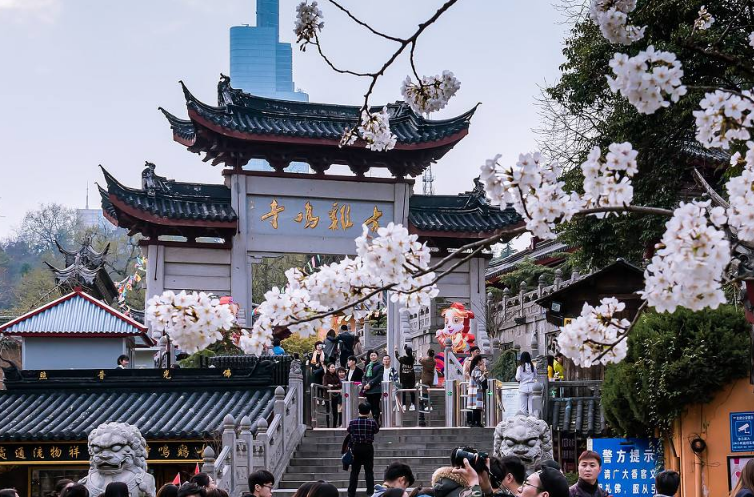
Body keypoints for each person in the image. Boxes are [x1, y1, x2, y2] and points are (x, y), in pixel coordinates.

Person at [347, 403, 380, 497]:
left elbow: (349, 430)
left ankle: (351, 493)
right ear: (369, 412)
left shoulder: (353, 422)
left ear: (359, 411)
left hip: (356, 447)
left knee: (354, 471)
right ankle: (370, 492)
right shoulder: (372, 422)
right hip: (367, 447)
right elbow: (376, 430)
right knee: (369, 471)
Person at [363, 350, 384, 424]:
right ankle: (373, 420)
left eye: (374, 355)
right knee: (370, 405)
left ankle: (376, 420)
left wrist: (370, 384)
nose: (373, 357)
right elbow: (365, 377)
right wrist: (364, 385)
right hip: (368, 389)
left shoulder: (380, 366)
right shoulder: (368, 366)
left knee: (376, 405)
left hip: (376, 389)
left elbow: (378, 377)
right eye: (371, 355)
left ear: (377, 356)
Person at [466, 355, 488, 427]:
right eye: (481, 360)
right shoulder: (477, 369)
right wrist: (484, 375)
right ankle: (476, 422)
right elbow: (478, 381)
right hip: (476, 390)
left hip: (473, 390)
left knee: (476, 407)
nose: (482, 362)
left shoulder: (474, 369)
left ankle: (476, 422)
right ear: (479, 361)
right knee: (477, 407)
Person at [395, 346, 417, 412]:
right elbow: (412, 354)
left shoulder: (403, 359)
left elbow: (397, 356)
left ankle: (404, 405)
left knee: (403, 391)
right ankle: (412, 404)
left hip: (404, 377)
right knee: (412, 391)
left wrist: (396, 350)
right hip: (411, 377)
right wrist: (406, 348)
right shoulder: (412, 358)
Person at [515, 351, 536, 415]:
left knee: (523, 407)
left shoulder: (520, 367)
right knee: (531, 407)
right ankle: (532, 419)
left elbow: (517, 377)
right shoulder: (533, 367)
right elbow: (535, 376)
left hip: (523, 388)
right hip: (532, 387)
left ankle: (523, 421)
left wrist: (522, 379)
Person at [323, 362, 343, 427]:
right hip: (328, 396)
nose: (333, 368)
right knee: (328, 410)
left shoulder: (336, 376)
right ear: (328, 368)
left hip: (335, 395)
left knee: (335, 411)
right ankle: (328, 425)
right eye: (332, 367)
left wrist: (333, 385)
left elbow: (340, 384)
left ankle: (334, 425)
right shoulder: (325, 376)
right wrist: (335, 386)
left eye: (334, 367)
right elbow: (325, 385)